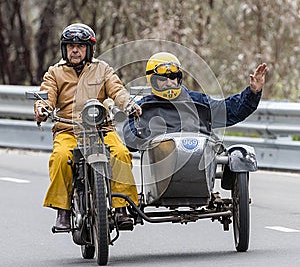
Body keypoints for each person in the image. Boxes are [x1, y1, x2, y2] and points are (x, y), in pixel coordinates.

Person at [34, 23, 139, 231]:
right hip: (68, 129)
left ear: (89, 49)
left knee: (121, 153)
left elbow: (117, 90)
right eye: (71, 46)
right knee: (61, 157)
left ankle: (121, 209)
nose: (75, 50)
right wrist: (42, 108)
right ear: (64, 49)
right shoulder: (55, 73)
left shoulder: (102, 69)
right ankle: (63, 211)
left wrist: (128, 104)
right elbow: (46, 96)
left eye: (80, 46)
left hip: (101, 129)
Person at [123, 52, 268, 150]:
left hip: (199, 163)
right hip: (161, 169)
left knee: (238, 157)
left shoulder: (198, 102)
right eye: (162, 79)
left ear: (179, 78)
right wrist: (146, 137)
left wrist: (253, 92)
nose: (169, 83)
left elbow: (231, 110)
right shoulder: (143, 107)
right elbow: (130, 139)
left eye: (173, 77)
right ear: (152, 80)